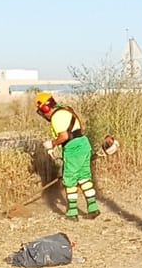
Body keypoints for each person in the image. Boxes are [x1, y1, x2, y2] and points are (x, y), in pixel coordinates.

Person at [35, 92, 100, 221]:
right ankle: (93, 208)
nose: (44, 116)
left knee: (69, 180)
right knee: (84, 177)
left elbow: (64, 136)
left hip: (73, 148)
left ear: (45, 109)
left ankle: (72, 212)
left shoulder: (56, 117)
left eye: (42, 112)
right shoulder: (66, 110)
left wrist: (51, 144)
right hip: (83, 144)